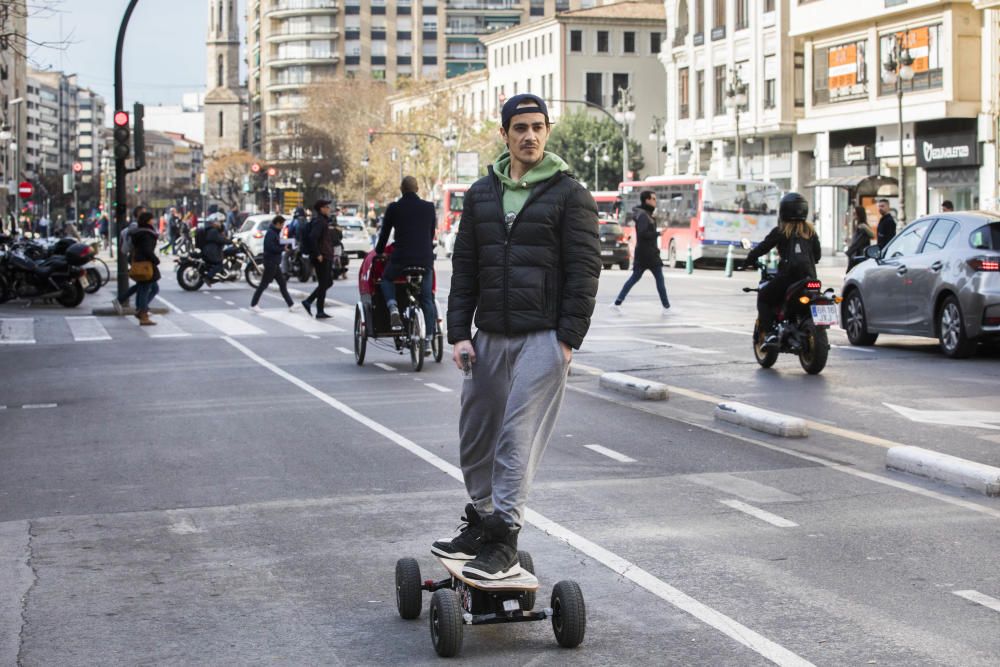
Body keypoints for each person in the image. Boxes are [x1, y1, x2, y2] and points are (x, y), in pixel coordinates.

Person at [436, 93, 601, 581]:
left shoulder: (570, 193)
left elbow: (585, 270)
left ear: (547, 131)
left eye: (537, 127)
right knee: (476, 433)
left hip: (543, 337)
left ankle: (504, 535)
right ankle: (484, 518)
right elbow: (465, 266)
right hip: (489, 335)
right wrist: (458, 333)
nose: (529, 136)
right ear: (504, 134)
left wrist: (567, 339)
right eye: (520, 128)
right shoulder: (482, 194)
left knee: (515, 437)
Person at [743, 192, 821, 348]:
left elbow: (762, 248)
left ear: (784, 210)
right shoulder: (810, 231)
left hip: (788, 278)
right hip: (810, 279)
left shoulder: (781, 230)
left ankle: (771, 334)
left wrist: (748, 261)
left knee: (764, 297)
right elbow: (817, 256)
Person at [375, 175, 437, 350]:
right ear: (417, 189)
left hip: (401, 258)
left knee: (387, 279)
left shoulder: (394, 208)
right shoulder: (429, 207)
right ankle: (429, 340)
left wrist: (379, 252)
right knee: (426, 299)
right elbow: (430, 233)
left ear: (401, 189)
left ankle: (393, 307)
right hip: (424, 259)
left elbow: (384, 234)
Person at [611, 190, 670, 315]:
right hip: (648, 254)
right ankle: (667, 307)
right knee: (658, 279)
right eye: (653, 199)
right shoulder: (644, 216)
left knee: (635, 278)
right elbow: (643, 234)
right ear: (647, 200)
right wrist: (658, 233)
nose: (655, 201)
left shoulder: (646, 214)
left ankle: (617, 302)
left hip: (645, 253)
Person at [250, 215, 296, 312]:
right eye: (282, 224)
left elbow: (274, 245)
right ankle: (253, 304)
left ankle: (291, 305)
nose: (283, 227)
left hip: (274, 262)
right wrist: (282, 248)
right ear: (277, 224)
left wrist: (282, 244)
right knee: (264, 284)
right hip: (270, 262)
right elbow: (270, 247)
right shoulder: (271, 233)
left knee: (282, 284)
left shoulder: (274, 232)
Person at [301, 199, 335, 319]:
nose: (329, 209)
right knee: (324, 283)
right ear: (321, 209)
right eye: (327, 207)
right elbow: (312, 237)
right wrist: (317, 254)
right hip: (322, 257)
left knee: (327, 282)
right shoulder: (320, 222)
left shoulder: (323, 221)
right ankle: (317, 308)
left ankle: (310, 303)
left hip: (326, 255)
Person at [845, 205, 874, 271]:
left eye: (855, 213)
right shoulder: (858, 225)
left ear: (859, 214)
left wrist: (849, 252)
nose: (853, 215)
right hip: (857, 256)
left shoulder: (862, 227)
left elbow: (858, 243)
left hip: (859, 256)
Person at [202, 213, 226, 282]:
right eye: (220, 222)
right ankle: (208, 277)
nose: (222, 224)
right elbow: (221, 240)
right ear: (216, 222)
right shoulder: (213, 231)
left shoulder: (211, 229)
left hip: (210, 249)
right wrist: (231, 241)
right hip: (211, 251)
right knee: (220, 265)